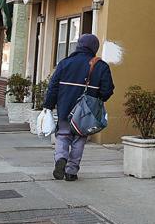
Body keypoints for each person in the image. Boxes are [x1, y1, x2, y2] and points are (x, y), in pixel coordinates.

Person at [42, 33, 114, 181]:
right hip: (86, 112)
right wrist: (98, 99)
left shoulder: (65, 63)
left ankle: (61, 158)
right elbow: (107, 90)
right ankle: (71, 171)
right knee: (79, 139)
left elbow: (53, 87)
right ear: (95, 47)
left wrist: (48, 105)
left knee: (62, 135)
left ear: (79, 44)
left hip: (64, 108)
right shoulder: (101, 66)